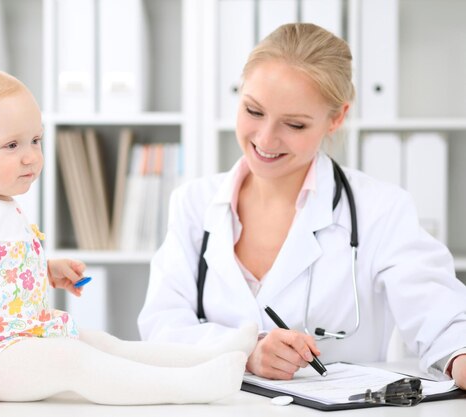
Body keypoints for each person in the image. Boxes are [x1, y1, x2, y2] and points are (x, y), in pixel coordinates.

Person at [138, 23, 466, 390]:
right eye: (253, 110)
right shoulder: (193, 203)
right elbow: (162, 325)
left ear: (336, 118)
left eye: (294, 124)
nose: (265, 139)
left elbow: (444, 318)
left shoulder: (381, 209)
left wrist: (460, 356)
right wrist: (247, 350)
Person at [0, 68, 257, 415]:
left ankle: (211, 355)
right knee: (73, 359)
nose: (31, 156)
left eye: (36, 140)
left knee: (100, 343)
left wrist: (46, 270)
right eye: (11, 145)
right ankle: (188, 387)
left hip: (20, 339)